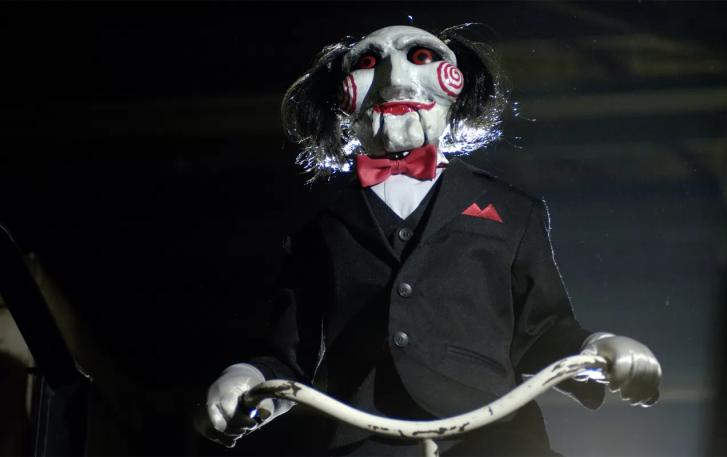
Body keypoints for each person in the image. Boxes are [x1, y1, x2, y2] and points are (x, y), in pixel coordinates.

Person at [196, 25, 661, 456]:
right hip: (361, 441)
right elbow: (290, 356)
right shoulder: (317, 227)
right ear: (341, 100)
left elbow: (542, 330)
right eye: (368, 63)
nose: (395, 78)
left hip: (494, 436)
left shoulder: (514, 211)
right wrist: (246, 379)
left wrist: (600, 348)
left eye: (420, 56)